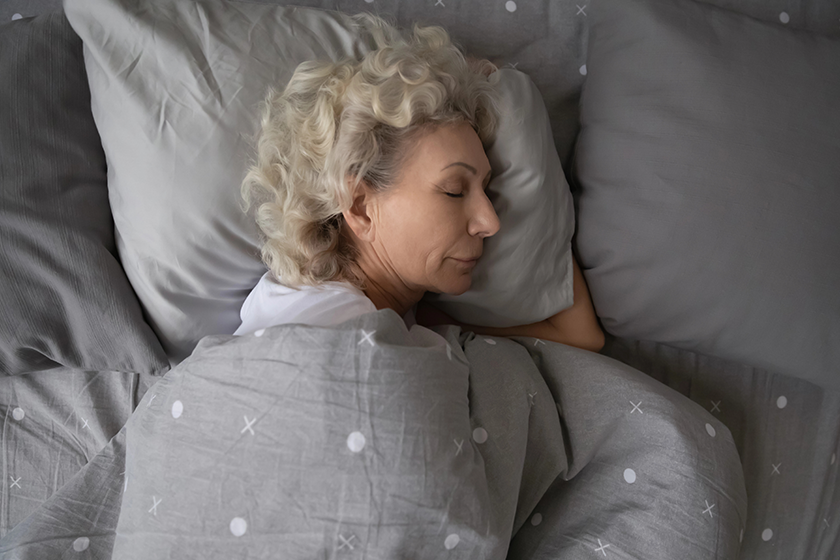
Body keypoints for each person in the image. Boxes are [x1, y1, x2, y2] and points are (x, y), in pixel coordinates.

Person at [234, 12, 605, 353]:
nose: (491, 222)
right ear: (360, 206)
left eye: (487, 190)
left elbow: (581, 336)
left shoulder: (399, 315)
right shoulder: (327, 328)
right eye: (454, 190)